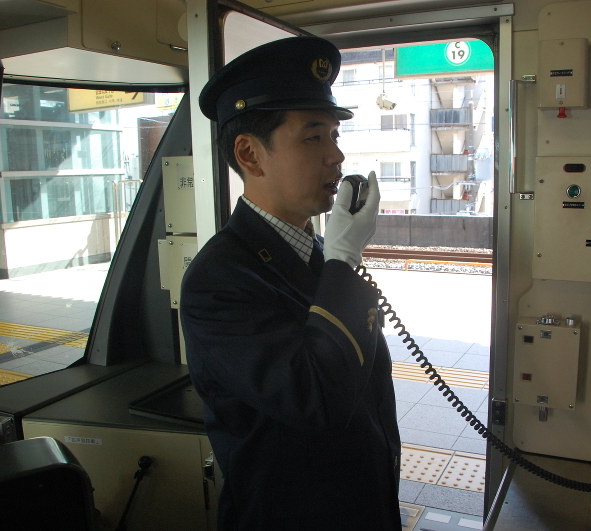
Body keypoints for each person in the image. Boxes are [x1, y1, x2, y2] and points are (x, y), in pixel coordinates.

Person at [180, 36, 402, 530]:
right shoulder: (217, 281)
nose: (336, 157)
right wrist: (345, 258)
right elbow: (315, 397)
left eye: (334, 137)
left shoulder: (313, 251)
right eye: (313, 137)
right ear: (251, 156)